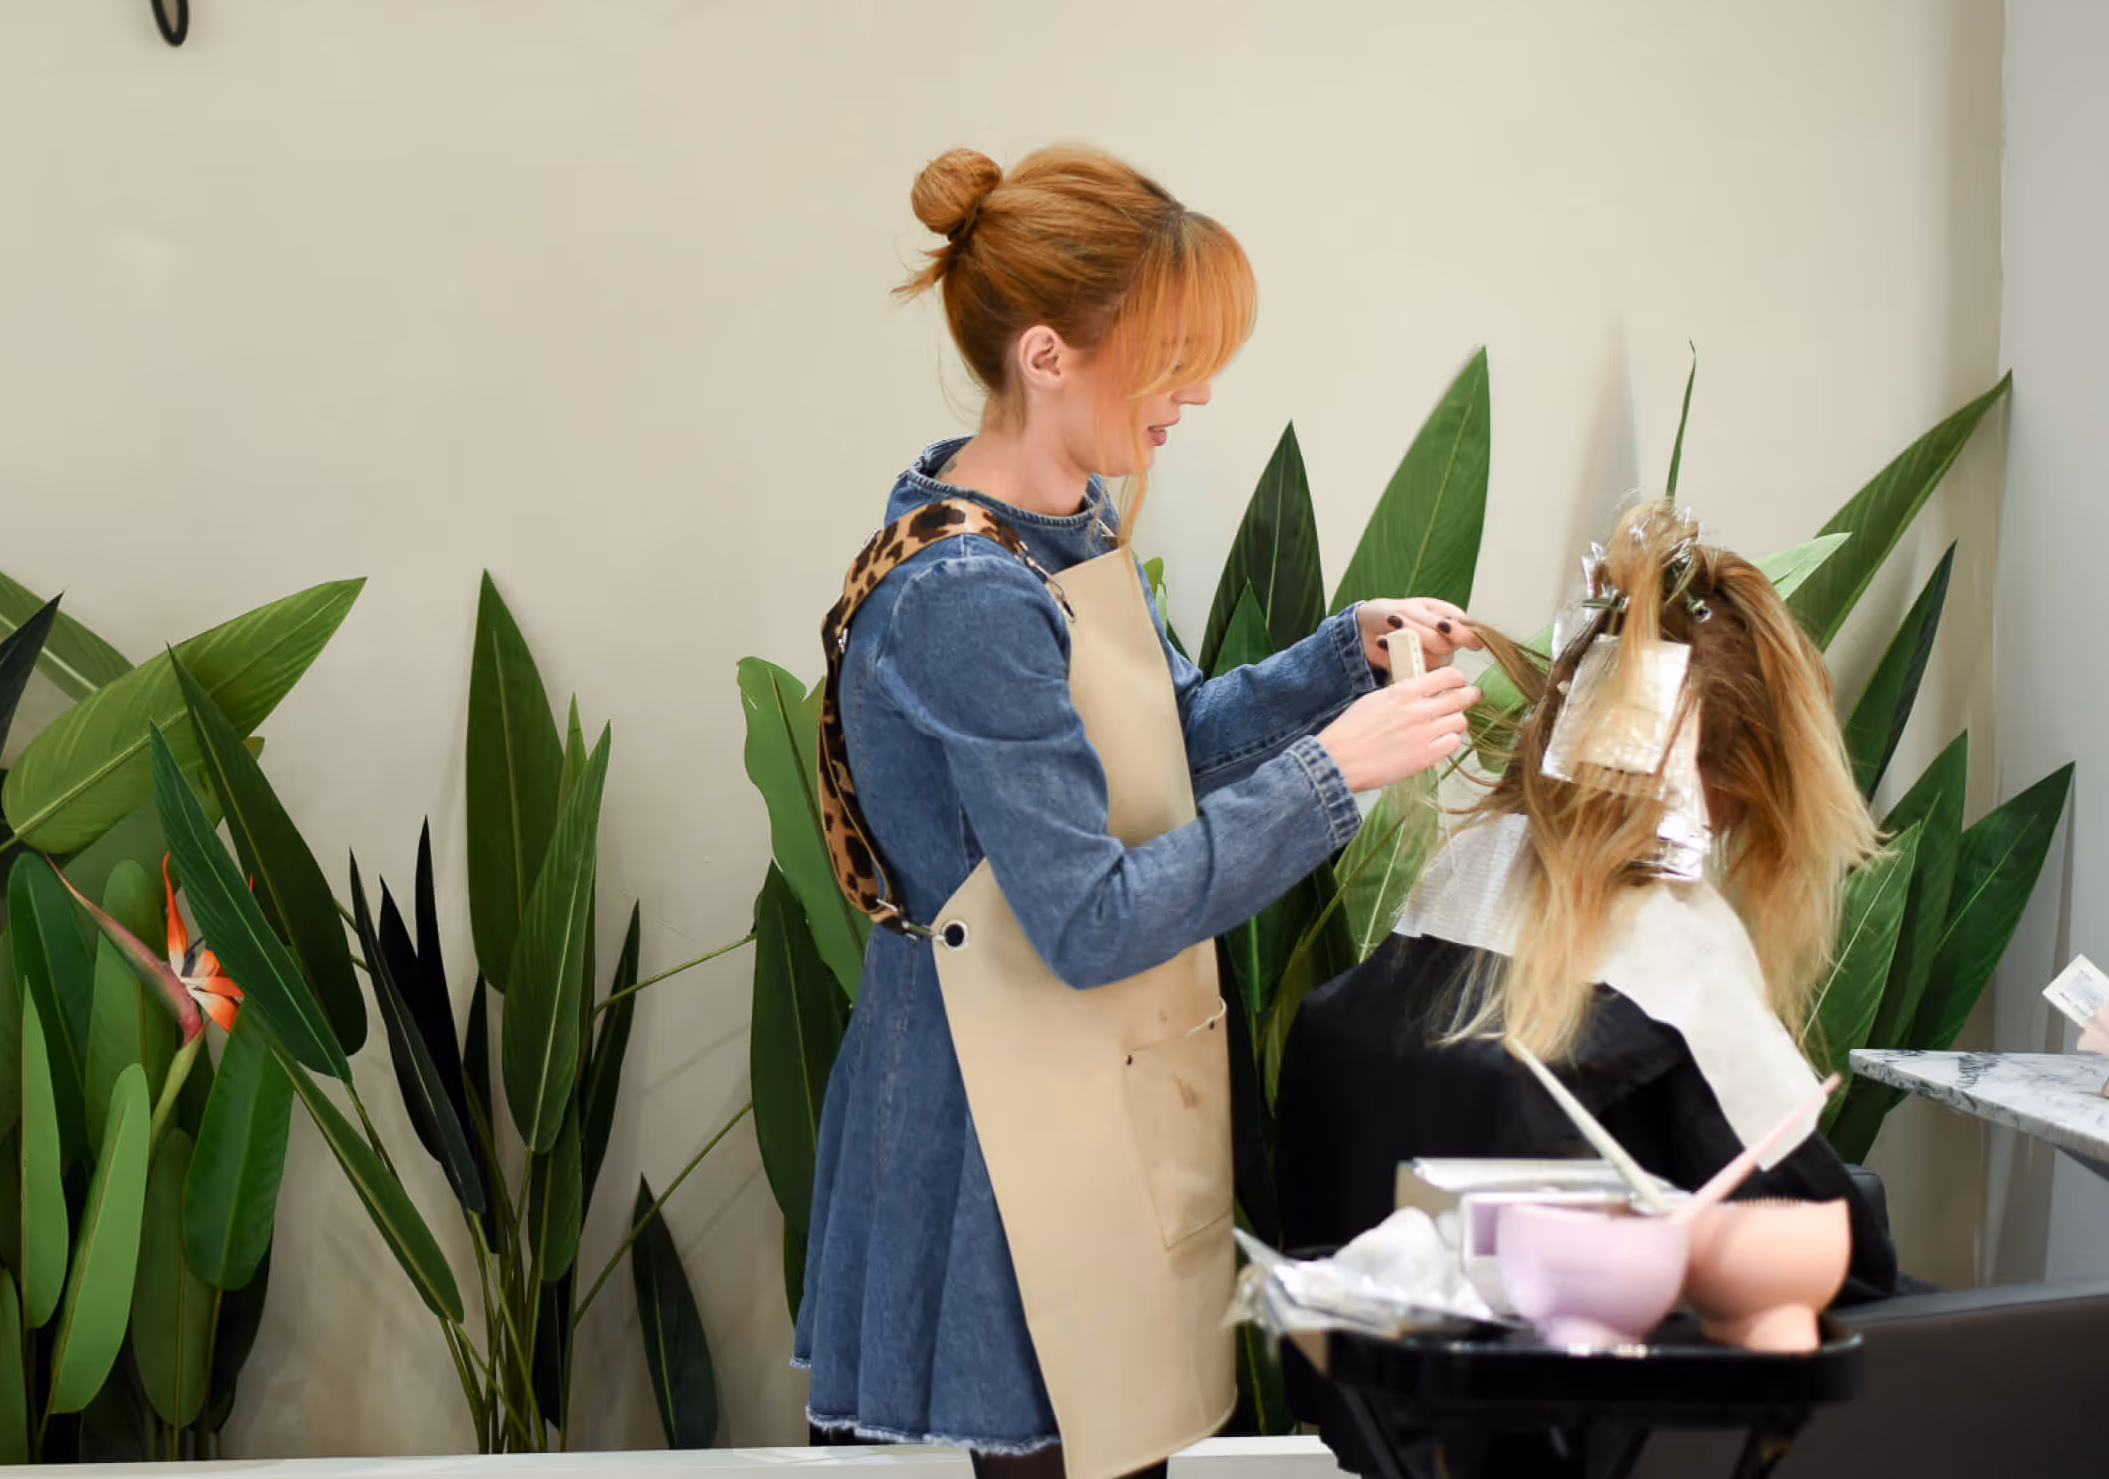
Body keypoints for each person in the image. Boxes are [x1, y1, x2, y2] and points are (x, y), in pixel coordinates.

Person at [796, 144, 1486, 1479]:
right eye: (1173, 355)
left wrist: (1343, 654)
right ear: (1048, 354)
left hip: (1086, 1092)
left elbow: (1158, 761)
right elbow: (1091, 922)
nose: (1201, 391)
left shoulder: (1060, 525)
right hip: (1003, 1139)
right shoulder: (969, 597)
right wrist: (1338, 769)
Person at [1277, 500, 1899, 1308]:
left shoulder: (1465, 872)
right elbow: (1841, 1256)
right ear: (1753, 778)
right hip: (1587, 1393)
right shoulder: (1678, 957)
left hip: (1392, 1380)